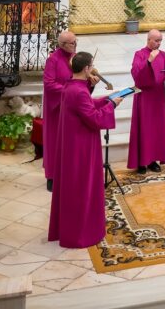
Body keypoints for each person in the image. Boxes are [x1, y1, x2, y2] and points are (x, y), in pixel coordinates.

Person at [48, 51, 123, 249]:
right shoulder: (79, 91)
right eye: (92, 65)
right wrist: (111, 105)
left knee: (75, 186)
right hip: (81, 146)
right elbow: (94, 118)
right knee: (83, 187)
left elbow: (86, 105)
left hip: (72, 143)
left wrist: (106, 99)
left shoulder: (70, 86)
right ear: (87, 68)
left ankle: (68, 228)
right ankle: (81, 233)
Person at [128, 28, 165, 174]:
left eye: (160, 41)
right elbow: (136, 75)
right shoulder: (139, 54)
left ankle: (153, 160)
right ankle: (141, 162)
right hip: (144, 98)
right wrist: (149, 60)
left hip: (158, 98)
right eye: (156, 40)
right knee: (144, 129)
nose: (159, 43)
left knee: (156, 129)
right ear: (149, 39)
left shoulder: (163, 55)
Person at [42, 30, 77, 192]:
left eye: (76, 42)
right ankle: (52, 177)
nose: (75, 45)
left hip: (71, 105)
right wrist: (67, 90)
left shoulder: (75, 57)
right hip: (56, 107)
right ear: (62, 45)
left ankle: (68, 174)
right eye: (72, 43)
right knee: (54, 141)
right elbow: (49, 83)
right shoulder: (53, 59)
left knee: (69, 142)